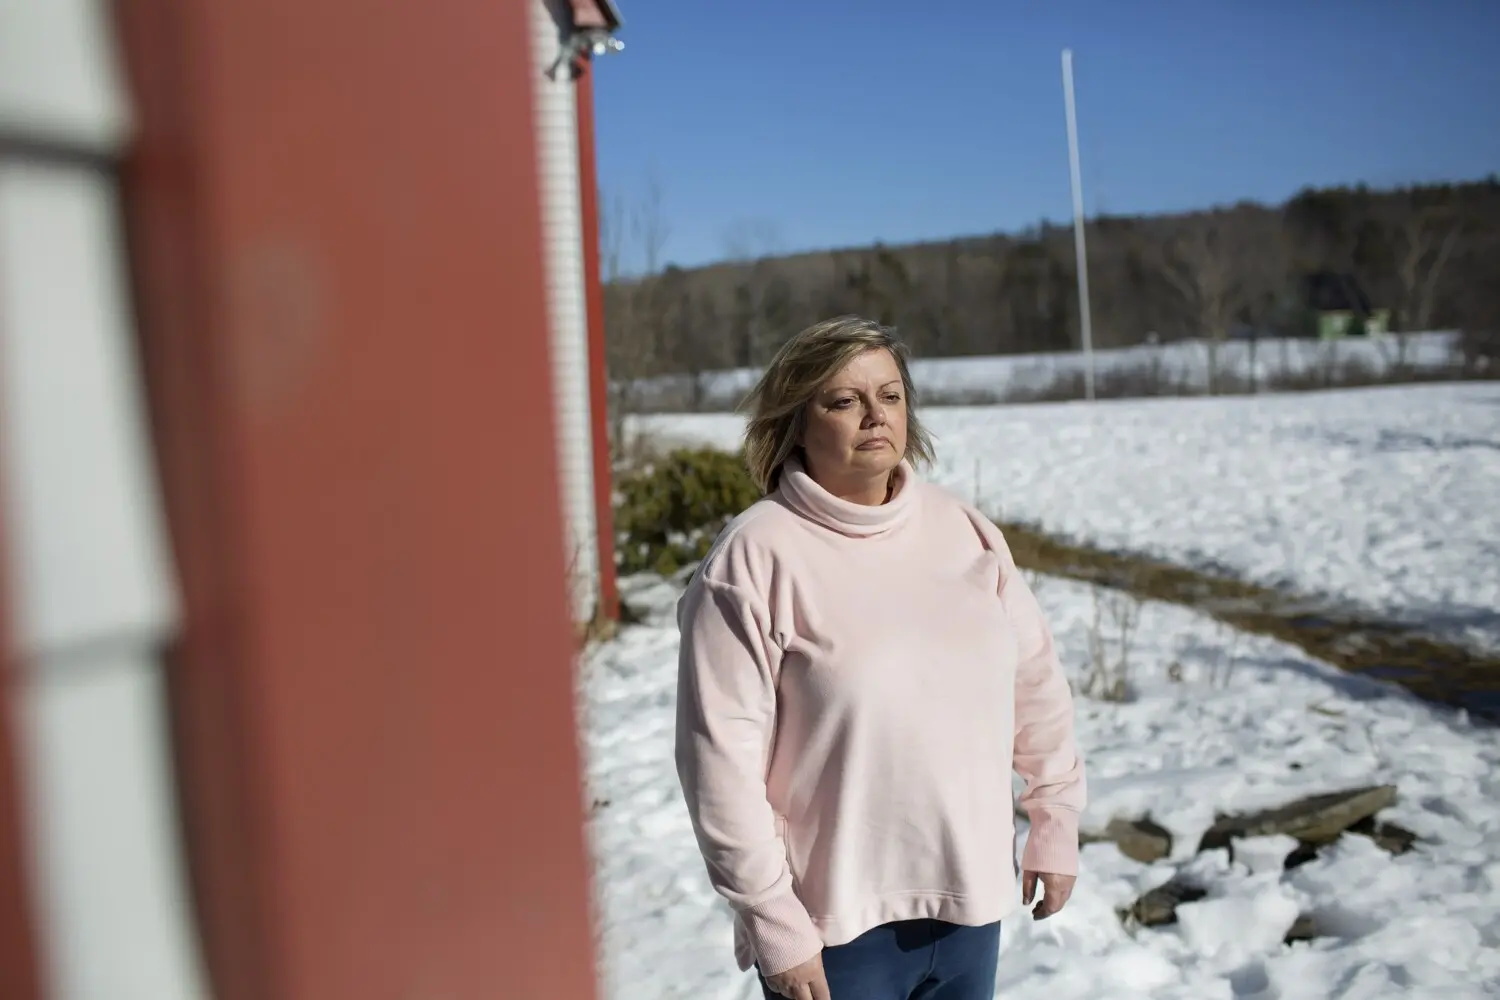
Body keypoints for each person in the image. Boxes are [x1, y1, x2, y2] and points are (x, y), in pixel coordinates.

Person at [674, 316, 1087, 1000]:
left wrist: (1054, 820)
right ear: (795, 424)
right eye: (842, 400)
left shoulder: (964, 532)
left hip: (971, 912)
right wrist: (773, 920)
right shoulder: (753, 559)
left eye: (890, 396)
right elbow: (718, 764)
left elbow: (1036, 686)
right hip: (832, 935)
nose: (874, 416)